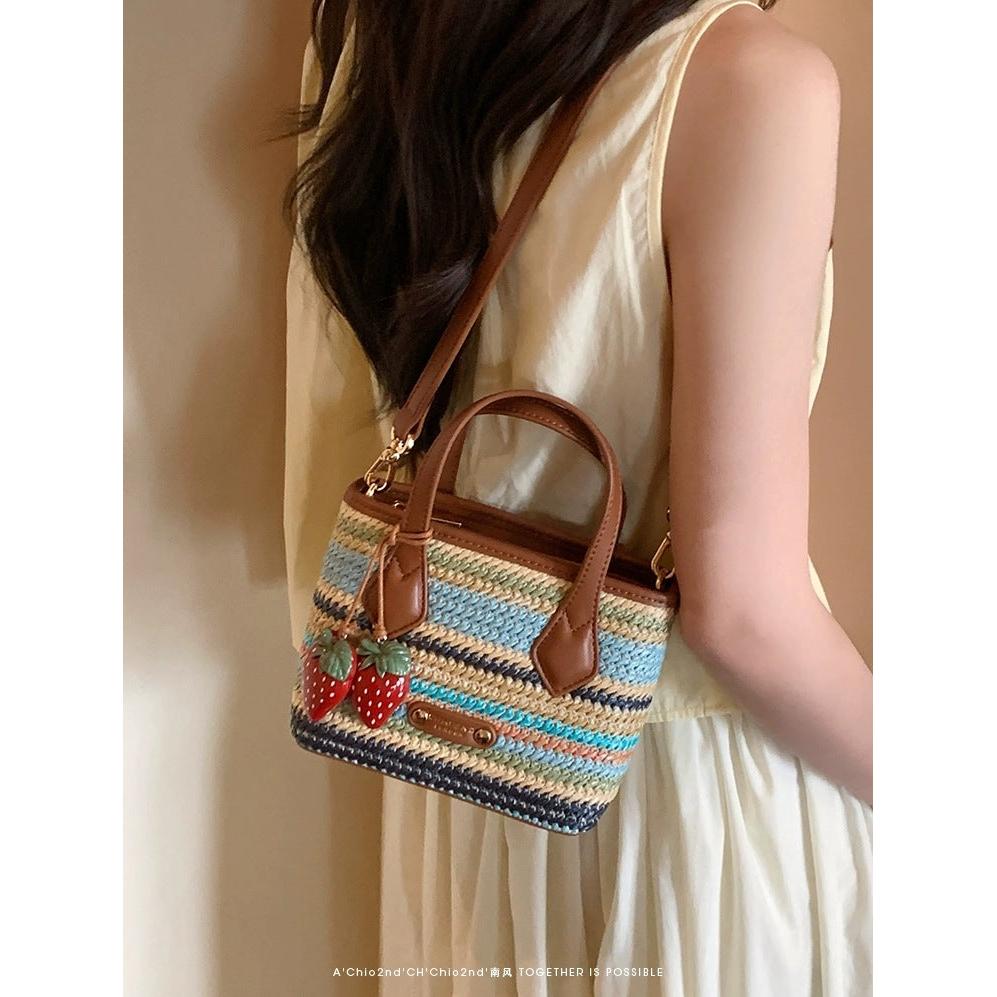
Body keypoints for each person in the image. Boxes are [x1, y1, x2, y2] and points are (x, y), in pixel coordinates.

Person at [283, 0, 872, 993]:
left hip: (460, 753)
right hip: (678, 808)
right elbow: (742, 615)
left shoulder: (380, 33)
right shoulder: (750, 81)